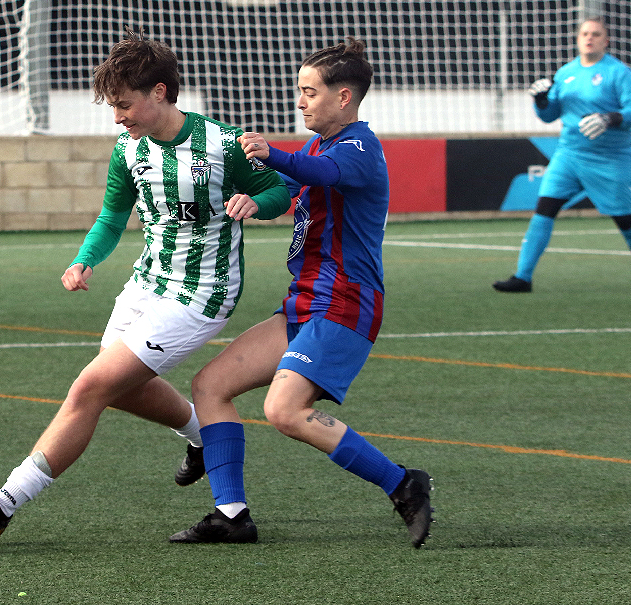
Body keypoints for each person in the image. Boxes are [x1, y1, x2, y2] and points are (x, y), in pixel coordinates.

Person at [0, 30, 291, 540]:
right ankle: (201, 436)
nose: (118, 117)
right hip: (146, 285)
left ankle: (3, 503)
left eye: (125, 105)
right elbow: (111, 218)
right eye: (112, 106)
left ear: (161, 92)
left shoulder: (222, 143)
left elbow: (281, 188)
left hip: (201, 293)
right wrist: (83, 261)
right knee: (121, 389)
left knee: (90, 386)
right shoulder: (129, 149)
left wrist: (259, 203)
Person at [168, 38, 434, 548]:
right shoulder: (315, 147)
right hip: (306, 300)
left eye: (309, 92)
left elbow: (321, 173)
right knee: (209, 386)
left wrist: (276, 155)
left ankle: (403, 484)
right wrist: (249, 199)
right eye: (299, 91)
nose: (300, 101)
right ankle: (231, 515)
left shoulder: (358, 148)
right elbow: (284, 192)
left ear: (344, 97)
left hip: (345, 301)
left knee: (282, 410)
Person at [494, 17, 631, 293]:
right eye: (585, 33)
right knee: (545, 208)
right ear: (577, 38)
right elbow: (550, 116)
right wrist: (541, 101)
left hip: (610, 158)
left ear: (605, 41)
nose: (589, 38)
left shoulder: (618, 73)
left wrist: (612, 117)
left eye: (596, 34)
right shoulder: (565, 73)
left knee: (624, 218)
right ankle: (523, 277)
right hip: (570, 154)